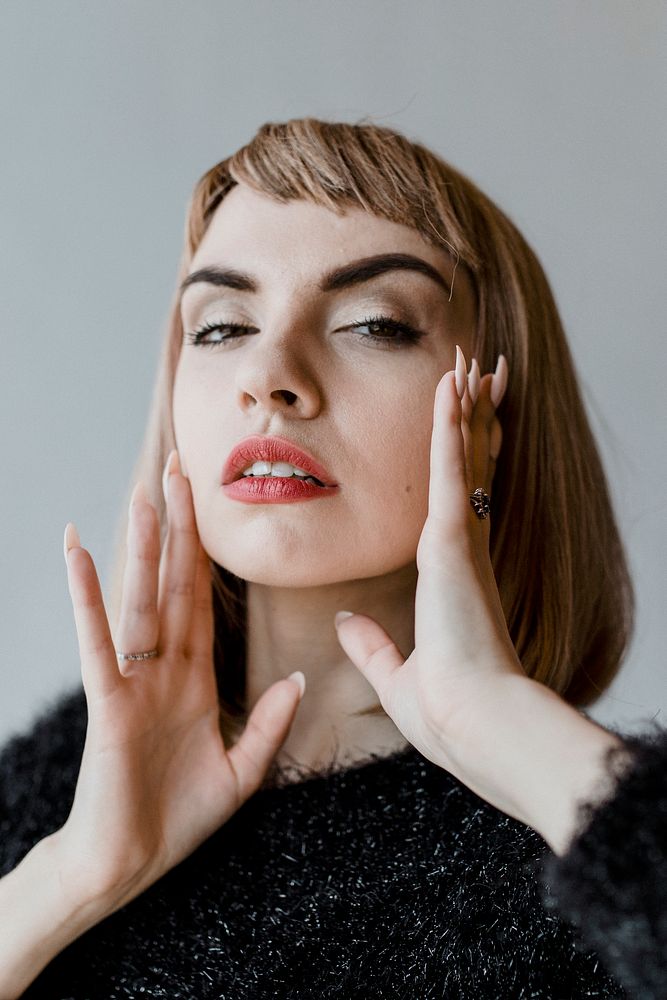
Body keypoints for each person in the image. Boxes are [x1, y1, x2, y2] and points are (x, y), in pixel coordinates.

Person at [0, 118, 664, 999]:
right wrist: (67, 881)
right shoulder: (52, 791)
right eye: (221, 325)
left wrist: (513, 735)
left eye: (374, 324)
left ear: (487, 425)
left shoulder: (586, 854)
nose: (269, 372)